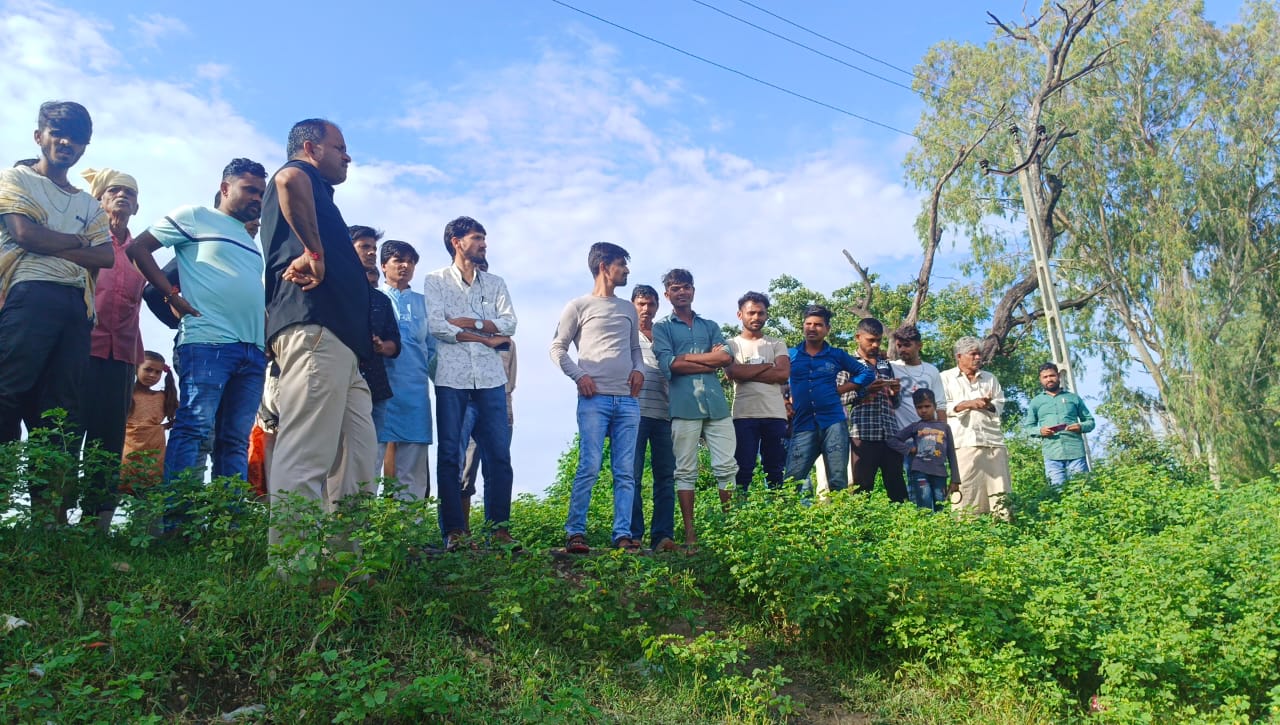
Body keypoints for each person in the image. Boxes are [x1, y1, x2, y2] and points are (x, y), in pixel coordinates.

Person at [260, 118, 375, 549]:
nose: (348, 157)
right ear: (311, 148)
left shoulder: (322, 196)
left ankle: (345, 566)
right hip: (314, 329)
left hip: (344, 346)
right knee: (306, 451)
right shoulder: (299, 174)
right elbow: (287, 180)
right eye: (339, 147)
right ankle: (293, 568)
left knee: (357, 461)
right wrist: (313, 251)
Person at [0, 101, 113, 523]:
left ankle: (47, 518)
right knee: (7, 394)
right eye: (58, 133)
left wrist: (56, 241)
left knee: (59, 412)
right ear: (39, 136)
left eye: (76, 137)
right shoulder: (16, 178)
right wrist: (79, 243)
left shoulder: (89, 203)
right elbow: (24, 234)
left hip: (76, 306)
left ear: (85, 146)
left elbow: (106, 257)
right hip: (27, 294)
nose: (66, 142)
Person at [127, 159, 268, 495]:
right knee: (194, 428)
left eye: (261, 193)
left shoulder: (250, 239)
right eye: (250, 190)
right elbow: (138, 248)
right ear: (225, 188)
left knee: (235, 439)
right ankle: (179, 517)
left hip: (252, 350)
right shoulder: (195, 216)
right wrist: (170, 295)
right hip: (208, 342)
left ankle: (228, 518)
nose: (257, 198)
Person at [425, 216, 517, 550]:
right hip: (452, 380)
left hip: (491, 380)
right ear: (457, 242)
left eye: (484, 238)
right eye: (477, 238)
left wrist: (470, 323)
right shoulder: (435, 280)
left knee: (499, 457)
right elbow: (438, 326)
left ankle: (499, 531)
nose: (483, 244)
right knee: (450, 456)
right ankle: (454, 532)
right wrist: (486, 337)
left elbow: (510, 323)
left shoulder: (495, 283)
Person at [550, 242, 645, 553]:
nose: (626, 270)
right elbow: (557, 348)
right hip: (594, 400)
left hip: (628, 400)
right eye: (621, 264)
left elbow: (635, 349)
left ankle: (622, 534)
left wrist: (640, 369)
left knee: (626, 472)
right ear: (604, 267)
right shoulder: (578, 306)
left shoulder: (628, 308)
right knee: (589, 466)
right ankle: (575, 532)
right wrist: (579, 376)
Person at [75, 167, 146, 530]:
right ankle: (53, 516)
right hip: (80, 350)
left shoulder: (140, 253)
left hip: (122, 357)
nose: (122, 197)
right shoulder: (85, 241)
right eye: (114, 191)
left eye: (129, 193)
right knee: (70, 429)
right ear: (98, 200)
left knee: (109, 439)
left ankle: (96, 521)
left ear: (137, 206)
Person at [652, 268, 735, 547]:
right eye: (675, 288)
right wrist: (708, 360)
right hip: (684, 406)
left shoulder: (709, 325)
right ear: (667, 295)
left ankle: (731, 534)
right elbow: (670, 364)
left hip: (717, 406)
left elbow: (725, 358)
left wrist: (687, 358)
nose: (682, 292)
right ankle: (690, 535)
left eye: (686, 287)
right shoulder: (662, 328)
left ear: (693, 291)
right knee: (685, 471)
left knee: (726, 467)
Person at [783, 305, 874, 492]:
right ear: (803, 326)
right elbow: (777, 379)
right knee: (792, 481)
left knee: (838, 481)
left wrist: (841, 389)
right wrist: (784, 401)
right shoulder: (791, 354)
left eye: (818, 324)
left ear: (827, 329)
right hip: (803, 423)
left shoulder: (836, 354)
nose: (812, 328)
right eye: (808, 324)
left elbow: (866, 373)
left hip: (833, 422)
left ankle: (839, 512)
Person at [459, 258, 516, 528]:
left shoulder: (506, 338)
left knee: (498, 467)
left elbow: (510, 380)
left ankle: (497, 530)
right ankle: (460, 531)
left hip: (498, 406)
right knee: (463, 469)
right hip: (463, 403)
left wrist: (507, 409)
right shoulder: (453, 330)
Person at [378, 240, 436, 501]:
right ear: (383, 265)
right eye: (398, 260)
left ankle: (409, 526)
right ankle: (361, 525)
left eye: (411, 261)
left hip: (415, 395)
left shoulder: (426, 304)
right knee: (367, 465)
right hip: (378, 392)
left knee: (412, 472)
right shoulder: (374, 298)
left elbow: (434, 352)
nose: (405, 266)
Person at [348, 225, 401, 489]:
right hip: (341, 381)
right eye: (364, 247)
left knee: (371, 455)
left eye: (373, 248)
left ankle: (363, 509)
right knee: (337, 452)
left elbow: (395, 344)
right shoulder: (334, 290)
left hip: (376, 386)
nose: (371, 252)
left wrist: (382, 346)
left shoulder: (381, 300)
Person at [725, 291, 790, 496]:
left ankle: (778, 512)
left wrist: (746, 372)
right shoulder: (731, 344)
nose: (756, 317)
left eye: (761, 313)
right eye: (751, 312)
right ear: (740, 315)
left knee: (775, 470)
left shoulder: (776, 343)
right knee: (743, 469)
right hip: (743, 415)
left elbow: (783, 373)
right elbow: (732, 373)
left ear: (766, 315)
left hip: (775, 414)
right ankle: (740, 510)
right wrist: (767, 366)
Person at [628, 284, 677, 552]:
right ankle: (632, 535)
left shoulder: (665, 335)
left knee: (666, 477)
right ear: (633, 305)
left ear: (658, 306)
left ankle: (663, 537)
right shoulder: (625, 333)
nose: (646, 309)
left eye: (651, 304)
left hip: (665, 415)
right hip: (632, 415)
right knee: (631, 477)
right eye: (641, 304)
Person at [940, 336, 1011, 518]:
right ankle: (965, 530)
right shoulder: (945, 378)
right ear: (959, 356)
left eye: (979, 354)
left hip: (993, 442)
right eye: (973, 354)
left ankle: (1002, 528)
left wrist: (987, 404)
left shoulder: (990, 378)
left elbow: (1000, 404)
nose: (978, 358)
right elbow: (940, 406)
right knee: (965, 492)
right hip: (963, 442)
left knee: (1000, 493)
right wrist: (968, 404)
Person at [840, 318, 906, 502]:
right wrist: (865, 391)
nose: (875, 345)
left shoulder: (886, 364)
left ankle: (903, 519)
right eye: (871, 340)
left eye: (878, 340)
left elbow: (896, 404)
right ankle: (861, 521)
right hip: (863, 434)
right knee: (862, 489)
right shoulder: (848, 363)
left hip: (890, 433)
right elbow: (838, 397)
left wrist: (895, 393)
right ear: (858, 337)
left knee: (898, 489)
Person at [888, 389, 960, 512]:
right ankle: (924, 525)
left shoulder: (945, 427)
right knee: (924, 505)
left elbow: (952, 454)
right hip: (920, 472)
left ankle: (939, 525)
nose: (924, 410)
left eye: (927, 406)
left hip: (940, 474)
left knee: (940, 506)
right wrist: (910, 449)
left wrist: (955, 480)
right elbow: (892, 441)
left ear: (935, 406)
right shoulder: (915, 427)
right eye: (919, 407)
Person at [1024, 362, 1095, 488]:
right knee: (1057, 491)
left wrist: (1080, 426)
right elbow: (1029, 427)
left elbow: (1090, 421)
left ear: (1058, 376)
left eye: (1052, 375)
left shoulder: (1073, 398)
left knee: (1082, 490)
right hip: (1052, 455)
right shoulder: (1036, 402)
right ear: (1040, 379)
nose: (1049, 379)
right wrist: (1040, 431)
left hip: (1075, 453)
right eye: (1045, 377)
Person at [121, 351, 178, 492]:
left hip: (154, 455)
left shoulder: (162, 397)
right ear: (136, 368)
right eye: (148, 369)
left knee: (150, 494)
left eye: (158, 372)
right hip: (126, 453)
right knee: (120, 489)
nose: (153, 375)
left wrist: (163, 427)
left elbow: (185, 415)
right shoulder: (125, 394)